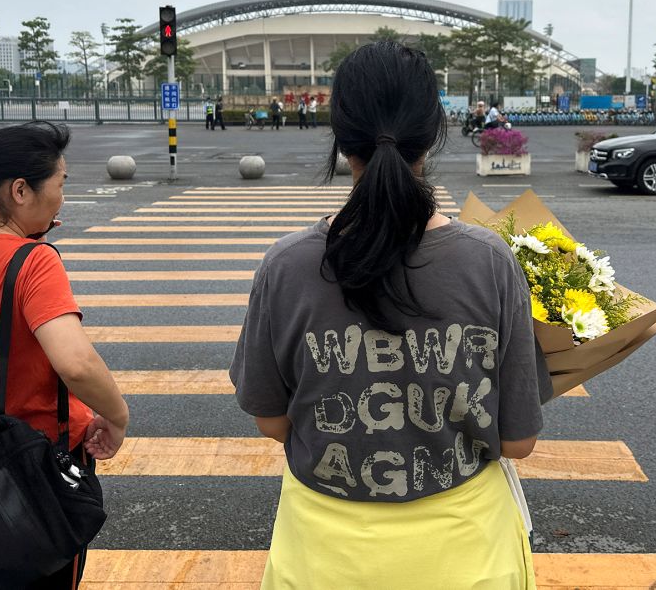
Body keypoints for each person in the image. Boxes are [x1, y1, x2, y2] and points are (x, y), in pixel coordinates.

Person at [230, 42, 548, 589]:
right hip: (466, 558)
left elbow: (272, 421)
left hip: (323, 559)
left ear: (340, 134)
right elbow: (517, 443)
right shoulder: (488, 261)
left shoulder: (287, 265)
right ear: (434, 132)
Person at [0, 121, 129, 589]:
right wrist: (117, 415)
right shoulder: (34, 262)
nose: (62, 196)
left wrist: (23, 240)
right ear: (21, 190)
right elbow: (75, 362)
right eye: (60, 183)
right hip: (36, 468)